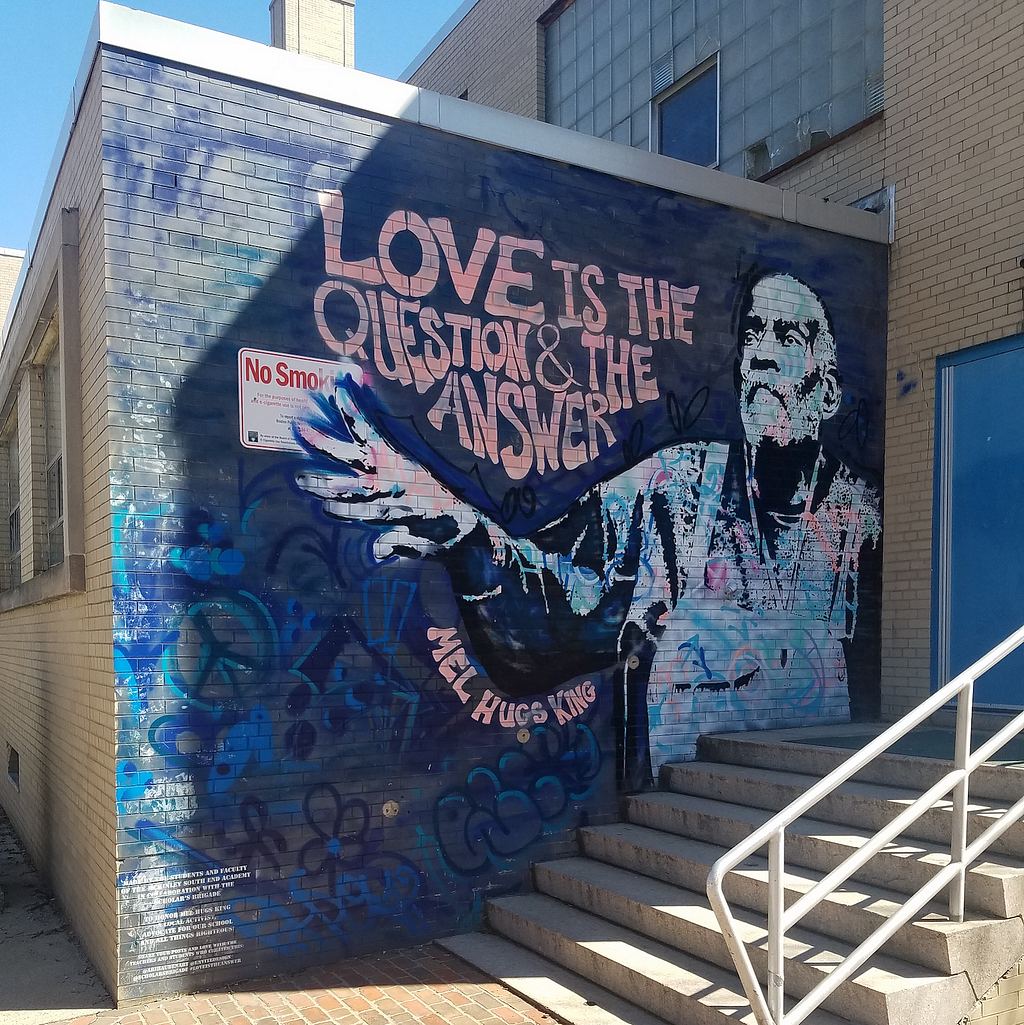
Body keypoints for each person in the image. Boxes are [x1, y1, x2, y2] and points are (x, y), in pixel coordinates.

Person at [296, 272, 880, 789]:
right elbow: (566, 598)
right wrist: (466, 534)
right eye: (753, 335)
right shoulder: (676, 488)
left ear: (827, 391)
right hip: (679, 802)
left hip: (819, 793)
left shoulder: (863, 519)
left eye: (787, 338)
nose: (762, 356)